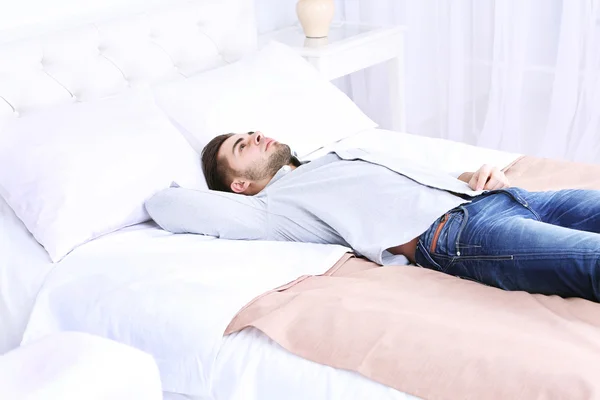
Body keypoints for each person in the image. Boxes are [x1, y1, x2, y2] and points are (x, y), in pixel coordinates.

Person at [150, 131, 600, 302]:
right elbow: (165, 204)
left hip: (493, 196)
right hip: (460, 234)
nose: (255, 136)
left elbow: (407, 183)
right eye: (241, 147)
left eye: (250, 132)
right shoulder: (271, 210)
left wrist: (476, 176)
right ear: (239, 186)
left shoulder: (335, 157)